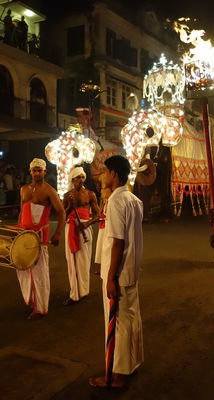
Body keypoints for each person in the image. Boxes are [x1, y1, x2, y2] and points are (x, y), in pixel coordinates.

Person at [89, 155, 143, 388]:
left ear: (114, 174)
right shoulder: (134, 200)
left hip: (119, 273)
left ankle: (116, 375)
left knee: (117, 323)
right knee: (130, 318)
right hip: (131, 271)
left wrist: (110, 277)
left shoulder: (116, 202)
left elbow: (118, 243)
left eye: (105, 171)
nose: (102, 176)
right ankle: (131, 364)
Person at [16, 158, 65, 319]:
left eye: (40, 170)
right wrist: (17, 231)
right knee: (22, 268)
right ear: (30, 172)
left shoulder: (49, 190)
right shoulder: (23, 189)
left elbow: (61, 212)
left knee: (40, 272)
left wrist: (57, 233)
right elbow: (22, 212)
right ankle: (32, 299)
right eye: (34, 170)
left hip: (40, 237)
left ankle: (41, 307)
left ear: (45, 172)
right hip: (23, 235)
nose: (37, 173)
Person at [62, 166, 100, 305]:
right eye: (78, 177)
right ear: (72, 180)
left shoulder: (90, 194)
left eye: (82, 177)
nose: (81, 180)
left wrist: (88, 223)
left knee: (84, 260)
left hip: (85, 228)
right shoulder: (67, 196)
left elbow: (98, 213)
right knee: (72, 260)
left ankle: (83, 291)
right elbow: (62, 215)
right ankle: (74, 294)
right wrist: (69, 207)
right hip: (71, 227)